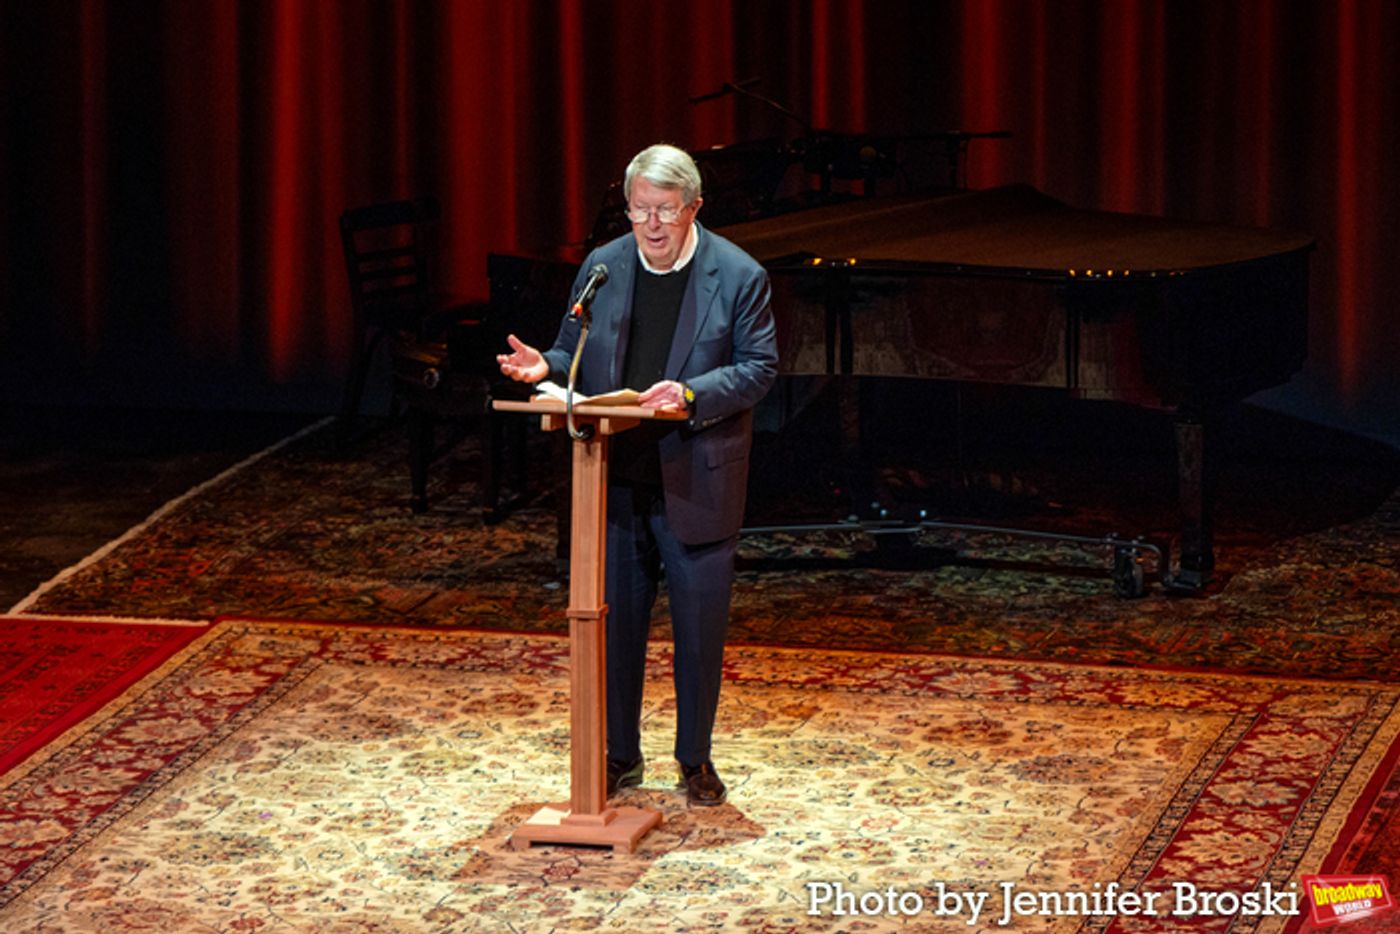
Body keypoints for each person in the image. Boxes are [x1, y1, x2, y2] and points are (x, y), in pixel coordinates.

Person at [496, 143, 778, 806]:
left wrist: (691, 395)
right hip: (614, 480)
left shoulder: (739, 275)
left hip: (696, 478)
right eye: (639, 210)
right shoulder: (603, 267)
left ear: (694, 208)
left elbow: (759, 368)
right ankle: (620, 754)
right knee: (615, 629)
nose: (651, 225)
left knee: (697, 633)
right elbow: (573, 348)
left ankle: (695, 760)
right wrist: (546, 366)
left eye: (665, 211)